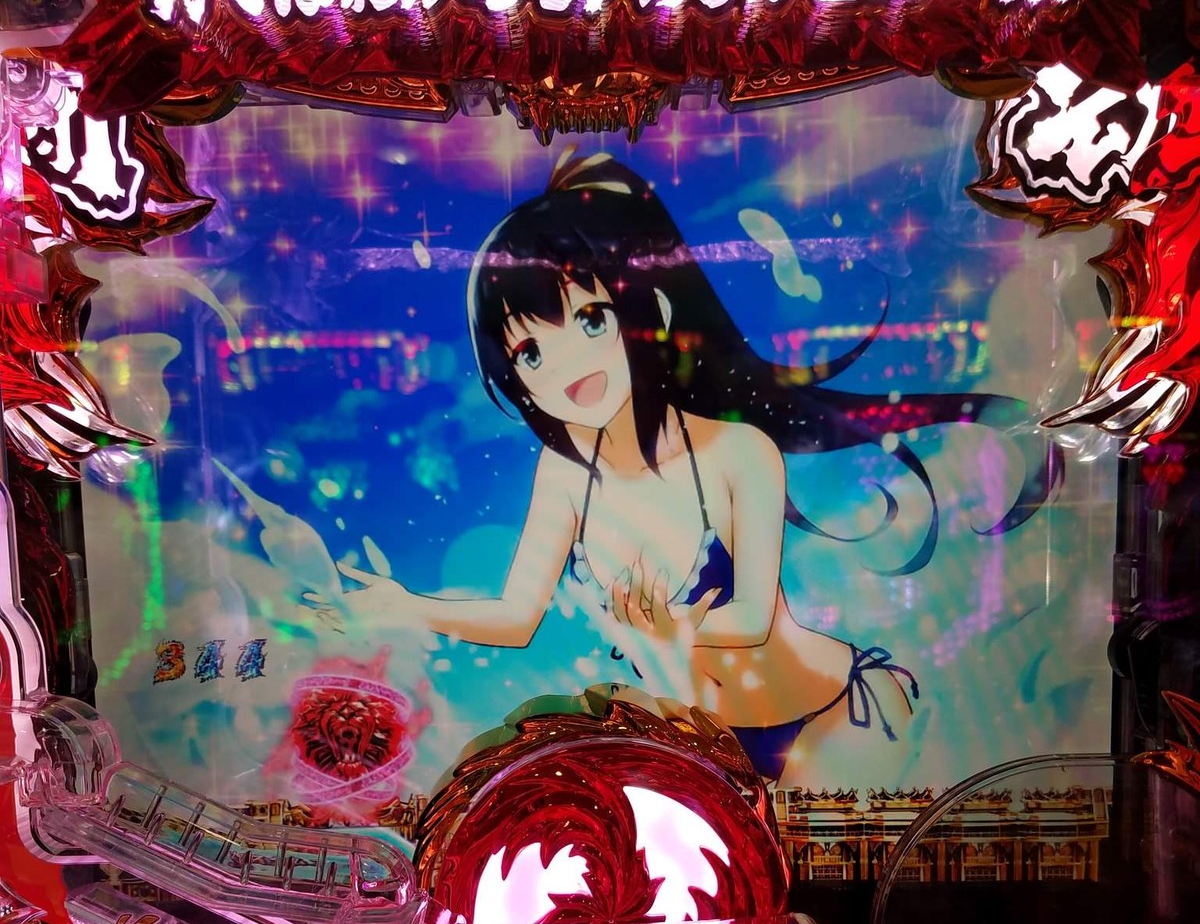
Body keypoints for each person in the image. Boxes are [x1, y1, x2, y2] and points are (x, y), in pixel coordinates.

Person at [331, 152, 1058, 783]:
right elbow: (518, 617)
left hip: (830, 716)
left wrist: (666, 630)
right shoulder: (564, 470)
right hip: (700, 740)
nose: (568, 363)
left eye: (590, 319)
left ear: (643, 310)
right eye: (530, 351)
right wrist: (407, 604)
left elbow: (751, 618)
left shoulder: (737, 452)